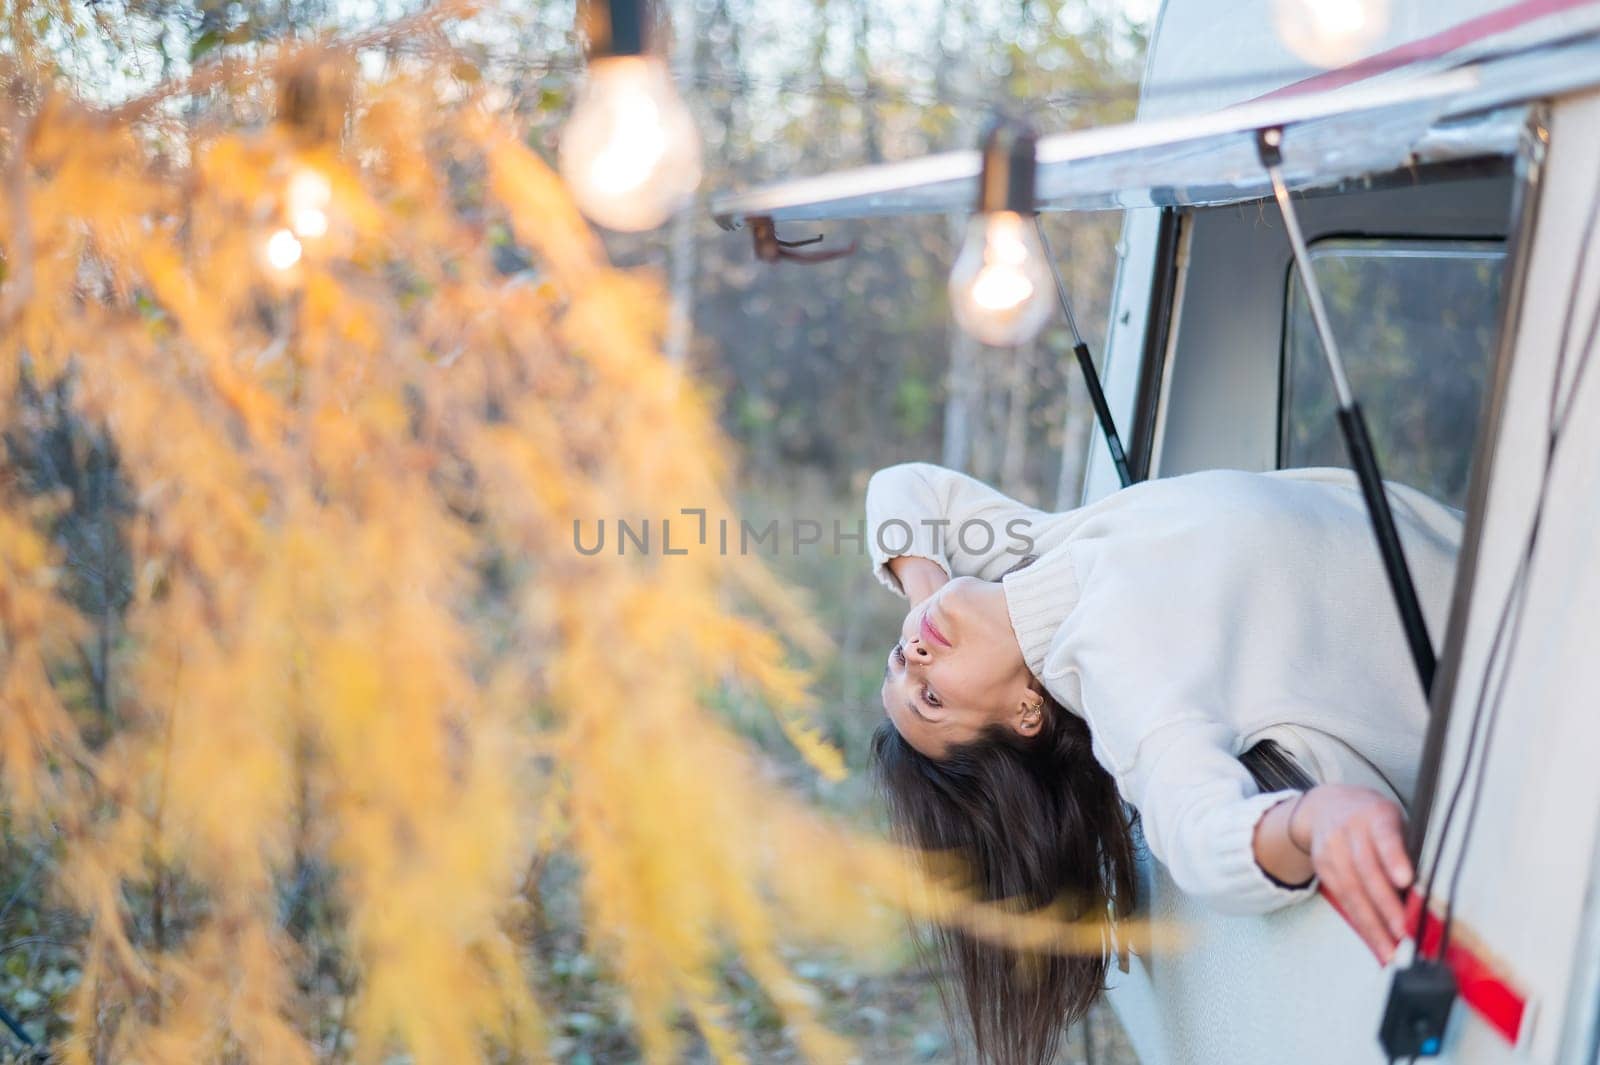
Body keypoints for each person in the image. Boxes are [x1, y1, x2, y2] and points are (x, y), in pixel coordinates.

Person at [866, 462, 1462, 1065]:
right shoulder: (1120, 671)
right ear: (1025, 715)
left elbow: (902, 486)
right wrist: (1313, 820)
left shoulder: (1042, 548)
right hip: (1519, 676)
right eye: (932, 699)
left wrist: (926, 598)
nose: (914, 658)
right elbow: (1198, 837)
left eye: (898, 660)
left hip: (1512, 555)